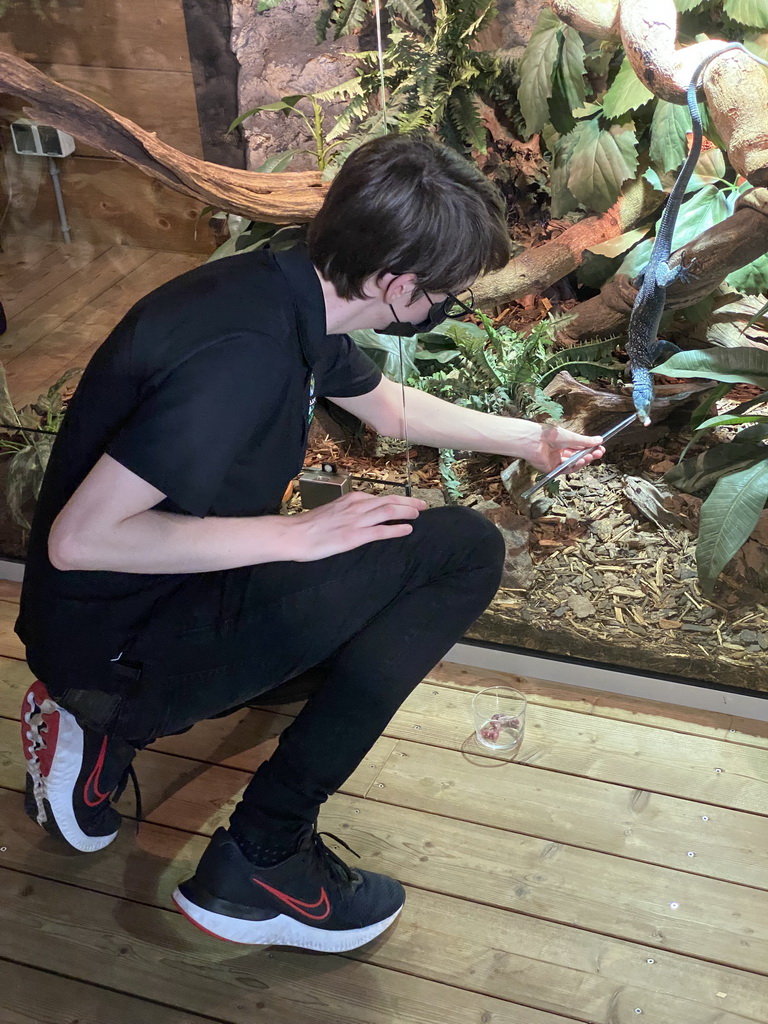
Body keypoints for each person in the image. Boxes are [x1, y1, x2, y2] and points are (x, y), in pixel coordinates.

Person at [16, 133, 604, 953]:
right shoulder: (243, 360)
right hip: (117, 634)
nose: (444, 309)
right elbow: (81, 541)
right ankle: (262, 852)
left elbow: (390, 408)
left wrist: (533, 440)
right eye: (447, 297)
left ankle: (104, 723)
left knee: (386, 567)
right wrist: (294, 537)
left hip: (129, 611)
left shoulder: (287, 294)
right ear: (400, 286)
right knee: (462, 551)